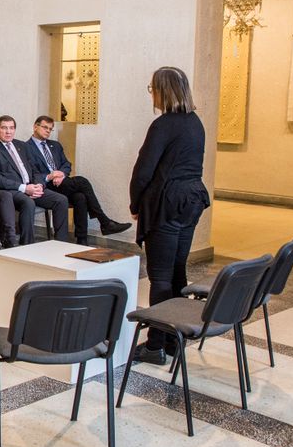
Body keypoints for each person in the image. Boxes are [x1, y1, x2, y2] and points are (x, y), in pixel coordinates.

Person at [129, 66, 211, 365]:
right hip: (191, 199)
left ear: (162, 91)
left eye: (153, 89)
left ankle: (155, 345)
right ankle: (175, 339)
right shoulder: (195, 122)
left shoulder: (163, 125)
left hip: (166, 201)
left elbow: (144, 169)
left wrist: (136, 204)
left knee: (160, 277)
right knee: (177, 270)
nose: (152, 94)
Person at [25, 115, 131, 245]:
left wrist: (61, 174)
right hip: (45, 185)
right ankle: (105, 222)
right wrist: (50, 176)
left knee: (80, 197)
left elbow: (66, 164)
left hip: (61, 182)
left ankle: (82, 240)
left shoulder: (55, 145)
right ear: (35, 127)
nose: (47, 131)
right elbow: (31, 172)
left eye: (50, 129)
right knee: (82, 181)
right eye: (45, 127)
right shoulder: (25, 148)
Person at [0, 115, 69, 244]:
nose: (8, 131)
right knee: (28, 202)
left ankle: (61, 243)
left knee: (61, 200)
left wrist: (39, 185)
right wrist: (24, 188)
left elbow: (34, 170)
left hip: (31, 186)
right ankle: (27, 244)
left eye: (11, 128)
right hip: (10, 190)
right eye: (4, 128)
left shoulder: (21, 145)